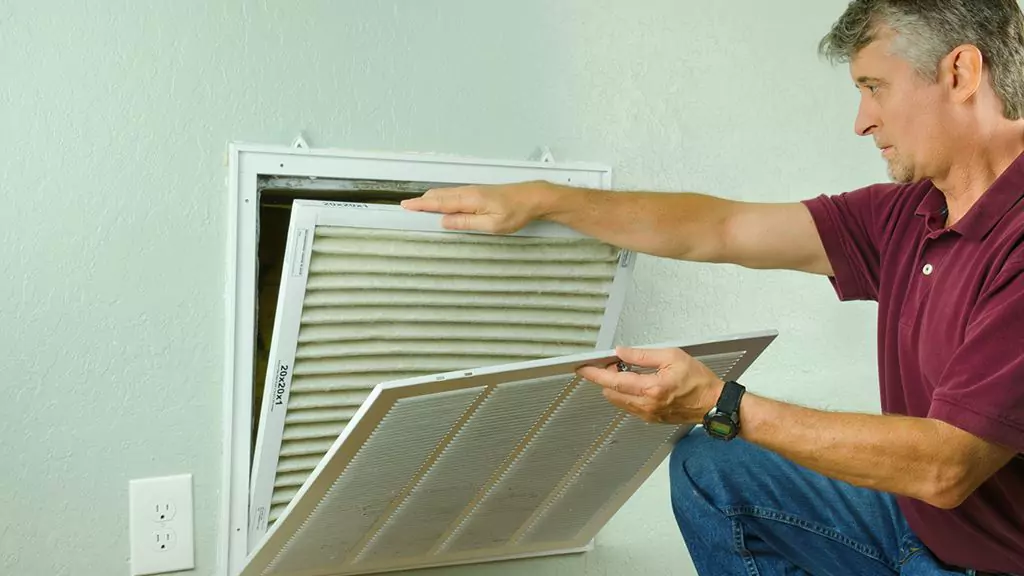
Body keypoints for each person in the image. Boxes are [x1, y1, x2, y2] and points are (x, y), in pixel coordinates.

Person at [401, 1, 1024, 574]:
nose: (863, 121)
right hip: (916, 525)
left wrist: (725, 404)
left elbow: (947, 466)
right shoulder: (912, 213)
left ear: (961, 73)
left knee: (728, 436)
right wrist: (545, 200)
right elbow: (720, 226)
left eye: (874, 87)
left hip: (991, 559)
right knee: (714, 467)